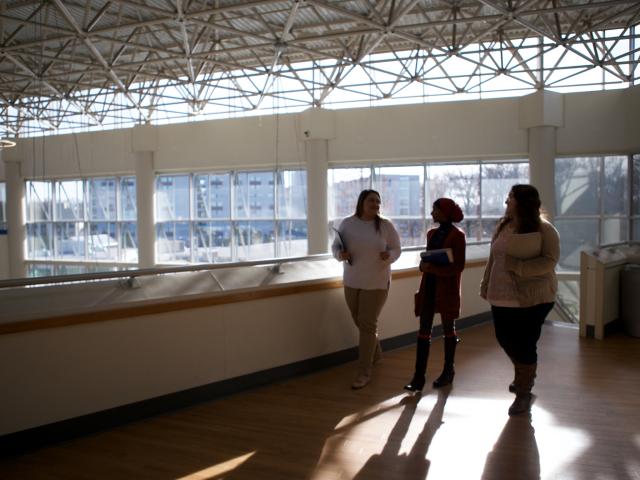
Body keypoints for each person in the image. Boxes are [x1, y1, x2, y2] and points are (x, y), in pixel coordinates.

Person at [480, 184, 559, 416]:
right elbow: (493, 258)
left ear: (522, 202)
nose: (506, 202)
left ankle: (523, 392)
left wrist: (519, 267)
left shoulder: (545, 230)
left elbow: (550, 261)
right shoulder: (503, 226)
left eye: (510, 198)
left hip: (533, 298)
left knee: (524, 344)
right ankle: (524, 372)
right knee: (504, 338)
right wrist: (485, 284)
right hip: (500, 295)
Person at [332, 189, 402, 389]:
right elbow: (336, 247)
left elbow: (397, 248)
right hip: (352, 280)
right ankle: (376, 353)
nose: (376, 204)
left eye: (378, 201)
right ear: (362, 202)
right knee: (359, 320)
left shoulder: (385, 225)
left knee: (368, 324)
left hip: (377, 282)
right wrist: (340, 255)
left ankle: (364, 372)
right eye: (372, 200)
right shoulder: (347, 223)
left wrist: (388, 256)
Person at [404, 198, 466, 392]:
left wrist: (433, 268)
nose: (432, 213)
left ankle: (449, 370)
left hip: (447, 288)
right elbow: (428, 259)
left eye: (435, 209)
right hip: (429, 286)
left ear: (445, 212)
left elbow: (458, 266)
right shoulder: (431, 233)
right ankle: (418, 377)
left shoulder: (458, 236)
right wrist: (424, 265)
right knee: (423, 331)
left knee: (449, 327)